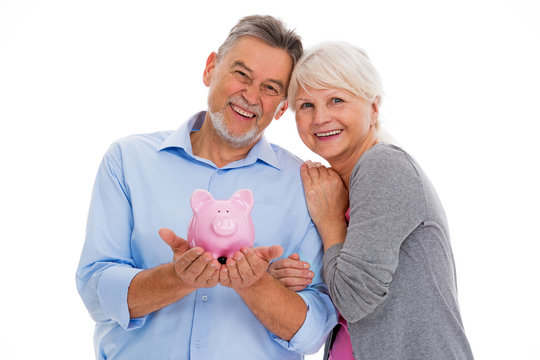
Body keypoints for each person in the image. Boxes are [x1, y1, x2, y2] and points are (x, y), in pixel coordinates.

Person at [76, 15, 337, 360]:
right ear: (210, 68)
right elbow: (96, 290)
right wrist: (177, 279)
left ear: (282, 107)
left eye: (270, 88)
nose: (251, 96)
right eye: (241, 75)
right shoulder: (128, 160)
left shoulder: (305, 185)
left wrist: (256, 285)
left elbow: (315, 332)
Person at [269, 42, 474, 359]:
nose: (320, 117)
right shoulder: (335, 187)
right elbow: (339, 291)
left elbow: (353, 299)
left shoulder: (384, 167)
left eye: (336, 100)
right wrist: (291, 276)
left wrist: (331, 221)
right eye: (306, 105)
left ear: (373, 108)